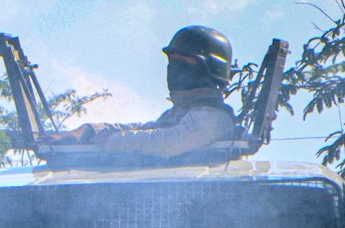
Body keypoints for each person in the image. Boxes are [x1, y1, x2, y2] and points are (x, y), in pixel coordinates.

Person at [58, 25, 239, 160]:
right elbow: (147, 129)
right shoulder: (180, 114)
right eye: (173, 62)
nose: (175, 70)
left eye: (183, 62)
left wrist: (112, 140)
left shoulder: (213, 119)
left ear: (209, 69)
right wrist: (91, 131)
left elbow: (168, 142)